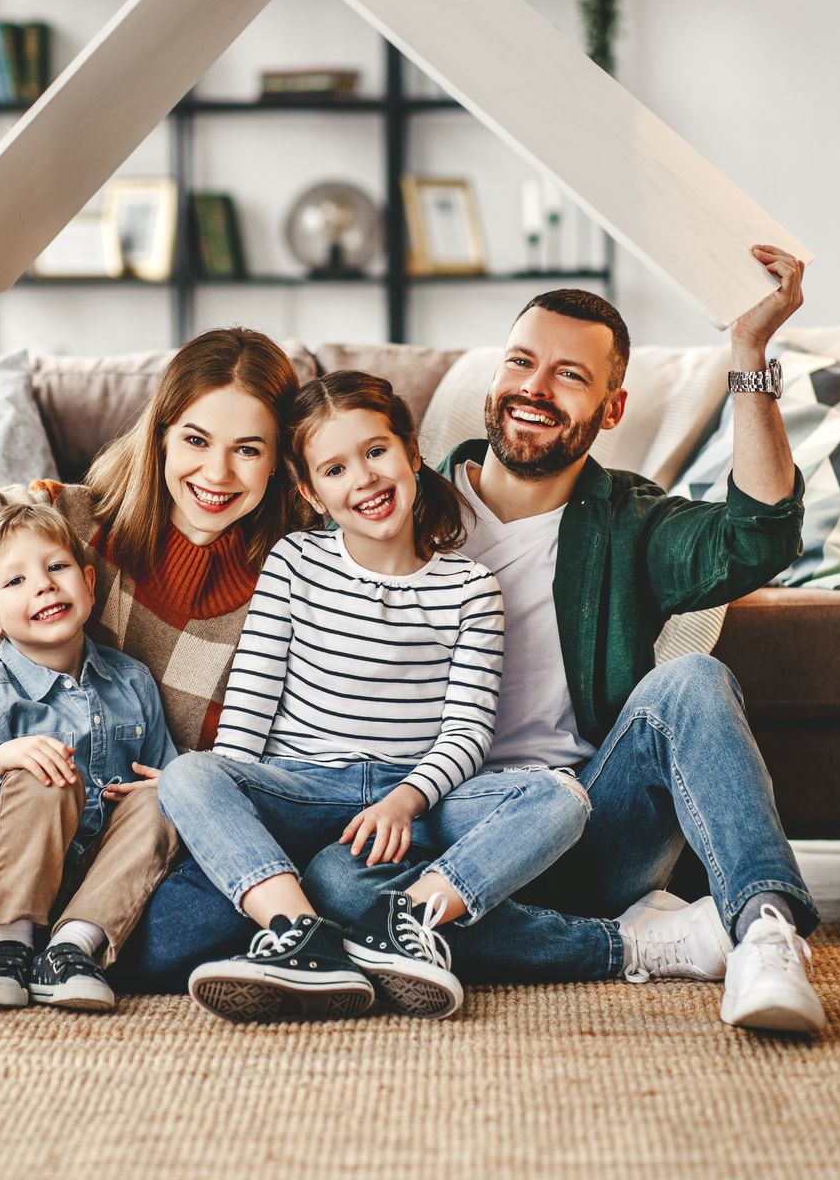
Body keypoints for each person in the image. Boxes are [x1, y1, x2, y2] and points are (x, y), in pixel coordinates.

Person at [302, 247, 832, 1034]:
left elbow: (758, 539)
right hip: (442, 828)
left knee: (691, 682)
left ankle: (761, 931)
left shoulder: (630, 521)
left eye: (570, 377)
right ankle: (635, 943)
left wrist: (749, 355)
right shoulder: (394, 507)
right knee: (339, 888)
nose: (534, 389)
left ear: (611, 410)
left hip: (588, 829)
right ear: (493, 379)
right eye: (521, 362)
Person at [0, 305, 309, 1022]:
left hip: (140, 849)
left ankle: (33, 944)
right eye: (195, 439)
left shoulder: (296, 579)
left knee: (211, 926)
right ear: (161, 435)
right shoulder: (72, 524)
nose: (216, 473)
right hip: (14, 834)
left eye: (249, 449)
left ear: (280, 457)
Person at [157, 370, 590, 1023]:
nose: (362, 478)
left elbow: (468, 733)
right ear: (310, 491)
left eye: (376, 452)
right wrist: (230, 802)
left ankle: (409, 918)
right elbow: (249, 707)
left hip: (412, 805)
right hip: (301, 788)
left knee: (558, 797)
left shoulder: (471, 588)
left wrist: (403, 801)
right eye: (334, 469)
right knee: (188, 776)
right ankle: (304, 936)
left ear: (412, 451)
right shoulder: (295, 562)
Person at [0, 504, 178, 1014]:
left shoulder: (133, 681)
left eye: (56, 568)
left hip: (93, 882)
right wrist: (4, 758)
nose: (44, 586)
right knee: (46, 769)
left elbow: (165, 770)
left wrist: (158, 790)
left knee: (169, 794)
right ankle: (7, 946)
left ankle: (71, 949)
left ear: (89, 585)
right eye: (16, 581)